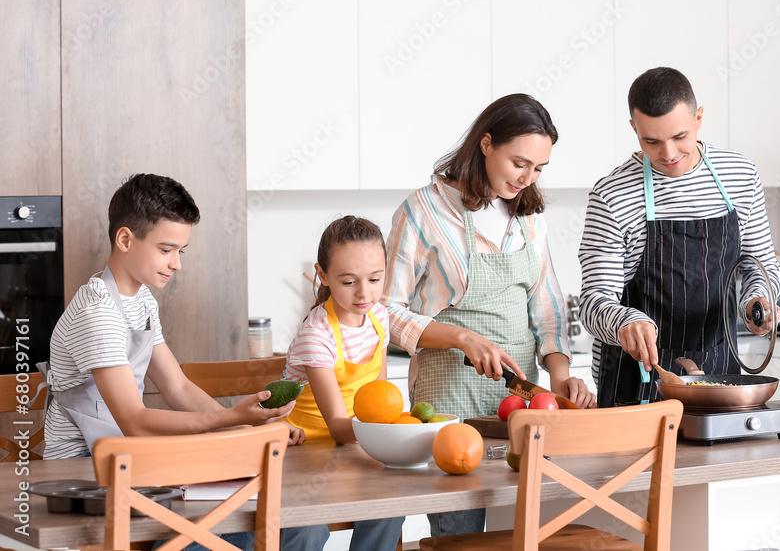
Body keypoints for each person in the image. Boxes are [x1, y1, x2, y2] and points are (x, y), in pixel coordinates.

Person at [41, 173, 328, 551]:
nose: (176, 264)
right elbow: (135, 420)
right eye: (166, 249)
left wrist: (249, 432)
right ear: (125, 239)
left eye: (181, 251)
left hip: (131, 460)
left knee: (304, 523)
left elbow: (177, 387)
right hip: (81, 478)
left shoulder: (140, 300)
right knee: (240, 531)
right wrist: (234, 419)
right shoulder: (97, 313)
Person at [382, 93, 596, 538]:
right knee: (459, 536)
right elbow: (385, 311)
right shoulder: (423, 210)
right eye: (520, 163)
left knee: (523, 533)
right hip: (450, 403)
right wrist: (461, 338)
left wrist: (560, 376)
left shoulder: (528, 217)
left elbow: (550, 307)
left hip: (518, 406)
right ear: (485, 144)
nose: (528, 177)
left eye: (539, 169)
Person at [579, 67, 780, 408]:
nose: (669, 153)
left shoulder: (740, 176)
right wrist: (625, 320)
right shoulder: (612, 195)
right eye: (652, 141)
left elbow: (758, 267)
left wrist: (757, 303)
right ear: (634, 129)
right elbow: (594, 302)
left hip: (720, 377)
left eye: (680, 136)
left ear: (699, 117)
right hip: (637, 384)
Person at [284, 215, 404, 551]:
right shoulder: (316, 335)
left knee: (390, 507)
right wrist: (394, 433)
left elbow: (376, 398)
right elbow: (338, 426)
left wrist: (396, 431)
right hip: (303, 451)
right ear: (322, 274)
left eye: (375, 279)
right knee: (307, 531)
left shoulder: (378, 317)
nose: (365, 293)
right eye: (349, 282)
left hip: (354, 447)